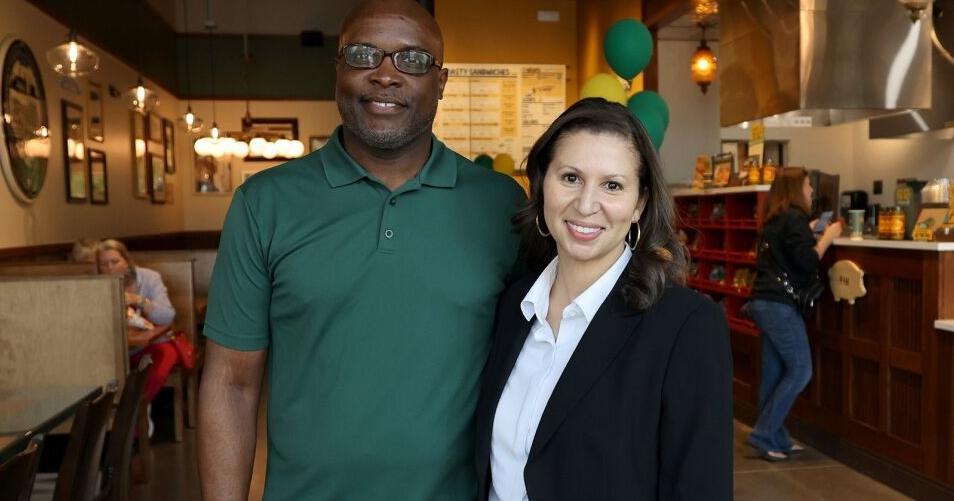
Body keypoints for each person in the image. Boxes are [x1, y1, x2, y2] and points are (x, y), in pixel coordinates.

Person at [197, 1, 525, 499]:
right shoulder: (264, 203)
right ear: (338, 68)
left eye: (412, 59)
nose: (385, 75)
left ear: (441, 82)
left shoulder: (501, 205)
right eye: (363, 54)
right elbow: (231, 384)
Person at [474, 98, 733, 501]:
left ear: (639, 204)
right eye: (570, 178)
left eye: (612, 185)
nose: (586, 204)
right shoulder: (514, 304)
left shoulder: (686, 327)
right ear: (541, 184)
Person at [745, 167, 842, 461]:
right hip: (779, 305)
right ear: (796, 190)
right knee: (800, 370)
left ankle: (775, 437)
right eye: (808, 186)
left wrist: (809, 232)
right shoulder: (794, 218)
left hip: (763, 302)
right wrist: (828, 237)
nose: (811, 191)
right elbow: (807, 261)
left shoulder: (776, 218)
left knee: (774, 372)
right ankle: (765, 433)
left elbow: (789, 251)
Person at [96, 238, 178, 403]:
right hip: (117, 350)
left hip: (155, 343)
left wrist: (137, 300)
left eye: (115, 261)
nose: (110, 268)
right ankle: (113, 412)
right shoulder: (97, 284)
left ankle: (136, 412)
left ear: (127, 261)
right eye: (104, 264)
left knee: (152, 372)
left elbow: (167, 316)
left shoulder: (149, 278)